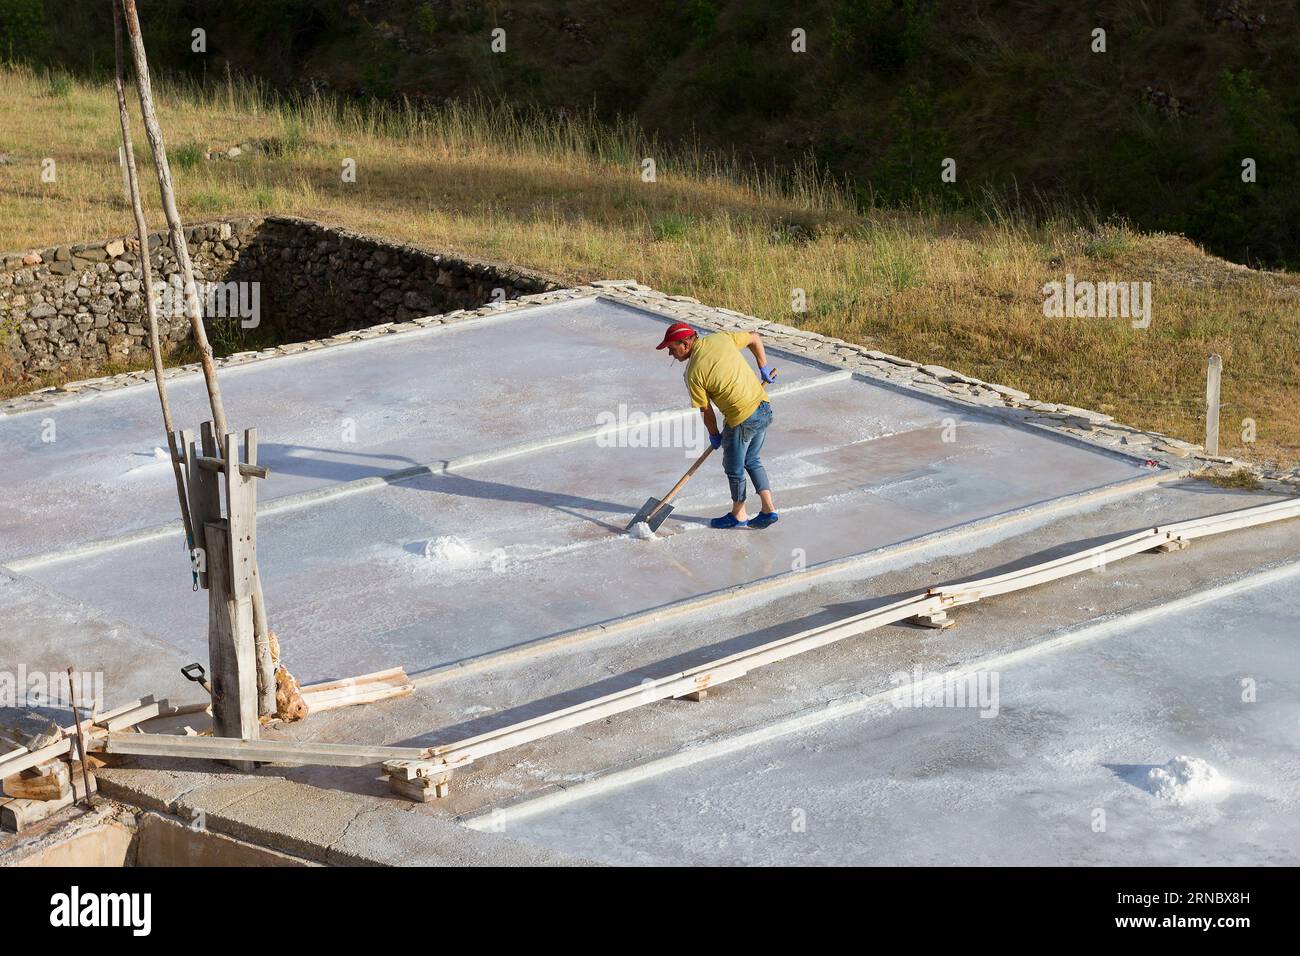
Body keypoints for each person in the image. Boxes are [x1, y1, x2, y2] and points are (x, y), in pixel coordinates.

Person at [656, 321, 779, 529]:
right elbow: (755, 337)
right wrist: (763, 367)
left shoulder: (693, 373)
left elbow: (706, 411)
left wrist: (714, 435)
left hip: (741, 419)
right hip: (764, 408)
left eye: (671, 348)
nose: (670, 354)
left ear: (685, 344)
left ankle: (739, 514)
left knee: (734, 468)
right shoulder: (720, 338)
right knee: (752, 459)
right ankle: (769, 508)